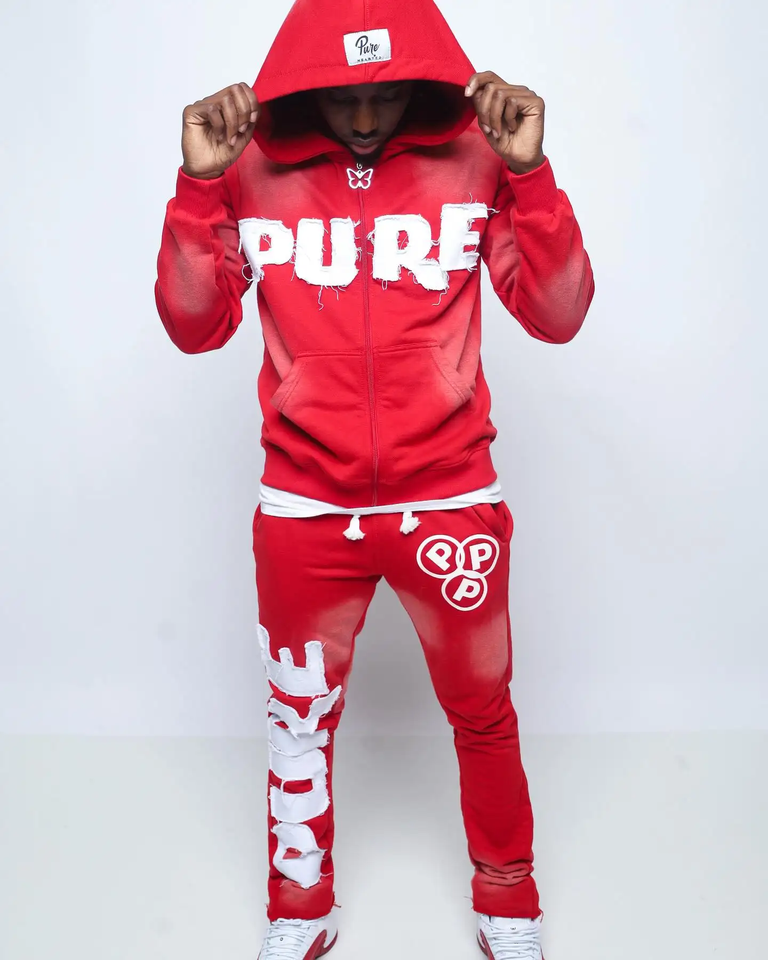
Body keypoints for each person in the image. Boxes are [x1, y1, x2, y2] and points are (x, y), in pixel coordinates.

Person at [155, 0, 595, 956]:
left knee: (483, 712)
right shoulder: (247, 166)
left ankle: (508, 901)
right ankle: (299, 910)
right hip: (304, 503)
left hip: (450, 497)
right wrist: (197, 187)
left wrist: (530, 174)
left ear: (425, 82)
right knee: (298, 719)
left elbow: (558, 313)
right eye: (341, 96)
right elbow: (194, 325)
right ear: (301, 87)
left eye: (387, 94)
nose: (362, 118)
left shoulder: (478, 157)